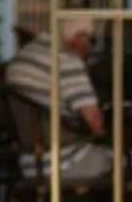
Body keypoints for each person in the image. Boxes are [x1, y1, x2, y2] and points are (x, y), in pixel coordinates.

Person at [6, 23, 113, 183]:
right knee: (131, 163)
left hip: (30, 162)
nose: (91, 50)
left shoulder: (23, 55)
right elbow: (96, 125)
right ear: (79, 37)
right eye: (92, 41)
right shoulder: (66, 60)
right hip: (67, 161)